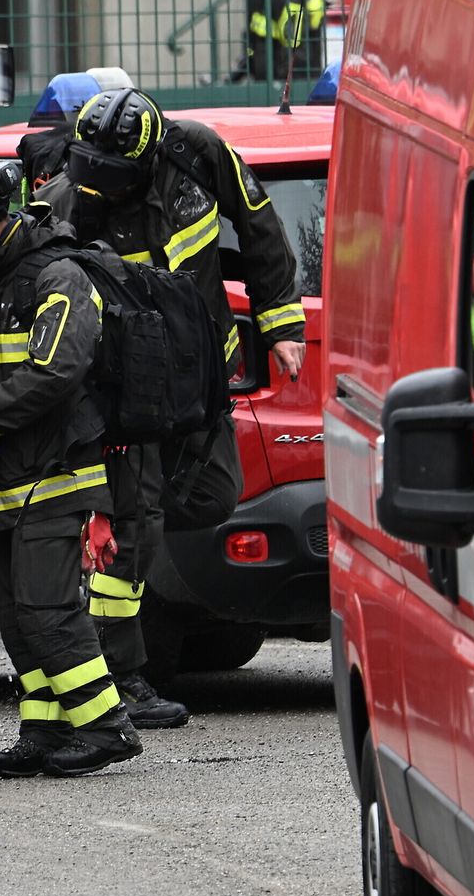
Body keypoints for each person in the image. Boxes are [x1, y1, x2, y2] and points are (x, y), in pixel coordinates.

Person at [36, 88, 306, 728]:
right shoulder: (68, 200)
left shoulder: (197, 153)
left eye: (112, 173)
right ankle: (120, 672)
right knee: (136, 520)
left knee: (216, 494)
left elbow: (259, 224)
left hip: (200, 375)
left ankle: (130, 533)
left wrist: (280, 322)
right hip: (127, 391)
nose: (98, 183)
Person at [0, 146, 144, 779]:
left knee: (48, 611)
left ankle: (107, 727)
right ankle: (43, 731)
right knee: (17, 620)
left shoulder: (58, 277)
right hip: (6, 485)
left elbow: (56, 370)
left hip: (55, 478)